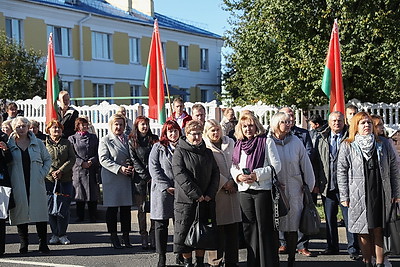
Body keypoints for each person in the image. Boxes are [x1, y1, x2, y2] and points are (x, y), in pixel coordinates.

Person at [337, 112, 400, 267]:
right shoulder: (348, 145)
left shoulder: (383, 143)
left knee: (379, 229)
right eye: (363, 123)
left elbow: (394, 168)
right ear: (356, 126)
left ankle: (379, 263)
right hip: (358, 194)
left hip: (380, 192)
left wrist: (396, 193)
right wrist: (344, 195)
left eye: (369, 123)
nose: (367, 126)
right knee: (362, 230)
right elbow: (341, 171)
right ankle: (367, 262)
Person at [230, 112, 281, 267]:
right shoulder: (238, 144)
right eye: (244, 126)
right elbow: (234, 166)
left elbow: (276, 166)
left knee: (264, 229)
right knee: (249, 228)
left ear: (256, 126)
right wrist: (238, 176)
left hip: (262, 190)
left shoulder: (266, 141)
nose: (248, 129)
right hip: (244, 191)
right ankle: (253, 262)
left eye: (251, 125)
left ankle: (267, 262)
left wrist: (257, 175)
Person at [269, 112, 315, 267]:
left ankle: (291, 260)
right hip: (275, 191)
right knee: (276, 225)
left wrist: (308, 185)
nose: (288, 124)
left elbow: (306, 164)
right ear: (276, 124)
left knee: (293, 225)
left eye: (289, 122)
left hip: (295, 189)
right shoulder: (268, 142)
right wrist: (272, 182)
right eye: (284, 122)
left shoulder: (295, 141)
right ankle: (274, 259)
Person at [172, 120, 219, 267]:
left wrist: (209, 193)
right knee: (185, 233)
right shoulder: (180, 151)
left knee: (202, 234)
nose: (197, 137)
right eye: (193, 134)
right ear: (187, 134)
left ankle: (200, 262)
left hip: (205, 200)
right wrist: (196, 194)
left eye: (199, 133)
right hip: (186, 202)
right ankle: (187, 262)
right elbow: (180, 174)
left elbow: (215, 173)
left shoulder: (208, 152)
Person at [315, 112, 360, 260]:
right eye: (334, 120)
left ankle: (353, 249)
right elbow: (316, 162)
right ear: (329, 122)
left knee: (349, 219)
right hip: (327, 185)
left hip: (346, 186)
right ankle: (332, 247)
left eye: (339, 120)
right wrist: (316, 183)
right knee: (329, 218)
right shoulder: (321, 137)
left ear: (344, 121)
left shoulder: (351, 137)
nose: (336, 123)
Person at [7, 117, 51, 254]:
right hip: (18, 182)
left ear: (28, 127)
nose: (21, 129)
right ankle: (24, 243)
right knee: (21, 213)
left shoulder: (38, 143)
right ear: (14, 128)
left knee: (40, 213)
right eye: (18, 126)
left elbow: (47, 159)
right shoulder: (9, 144)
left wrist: (41, 174)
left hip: (36, 182)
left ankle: (42, 243)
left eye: (23, 126)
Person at [203, 119, 241, 267]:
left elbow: (237, 162)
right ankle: (215, 261)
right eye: (212, 130)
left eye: (217, 129)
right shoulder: (205, 147)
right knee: (217, 228)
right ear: (207, 132)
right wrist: (224, 183)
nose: (216, 133)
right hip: (217, 191)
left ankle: (232, 260)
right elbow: (209, 170)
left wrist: (233, 181)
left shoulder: (231, 142)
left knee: (232, 228)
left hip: (233, 189)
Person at [148, 120, 182, 267]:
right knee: (161, 225)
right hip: (162, 191)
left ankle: (180, 255)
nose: (173, 134)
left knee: (180, 224)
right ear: (165, 133)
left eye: (175, 131)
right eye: (170, 131)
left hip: (180, 191)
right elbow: (154, 168)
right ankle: (161, 257)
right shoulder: (158, 147)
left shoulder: (184, 146)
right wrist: (166, 186)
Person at [99, 114, 134, 249]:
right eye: (116, 124)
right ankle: (113, 236)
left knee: (126, 209)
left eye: (121, 124)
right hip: (112, 177)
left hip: (126, 178)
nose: (118, 127)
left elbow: (133, 155)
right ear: (111, 126)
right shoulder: (105, 140)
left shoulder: (128, 139)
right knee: (112, 209)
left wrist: (130, 166)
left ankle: (126, 236)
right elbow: (103, 159)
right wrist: (119, 168)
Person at [129, 116, 159, 250]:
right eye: (142, 124)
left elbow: (157, 156)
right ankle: (143, 235)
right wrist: (145, 175)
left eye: (146, 124)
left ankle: (153, 235)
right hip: (139, 179)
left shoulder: (154, 139)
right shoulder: (132, 140)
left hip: (154, 177)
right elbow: (134, 160)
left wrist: (153, 174)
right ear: (137, 125)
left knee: (154, 207)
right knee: (141, 209)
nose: (145, 127)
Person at [44, 120, 76, 245]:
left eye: (58, 128)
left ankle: (62, 234)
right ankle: (54, 234)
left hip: (65, 179)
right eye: (54, 128)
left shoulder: (67, 143)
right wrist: (52, 171)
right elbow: (43, 159)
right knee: (51, 207)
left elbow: (72, 158)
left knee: (64, 208)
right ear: (48, 130)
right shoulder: (44, 144)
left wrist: (61, 170)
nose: (56, 130)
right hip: (49, 180)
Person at [68, 117, 99, 223]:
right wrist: (81, 163)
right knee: (79, 193)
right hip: (78, 170)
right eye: (82, 124)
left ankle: (93, 216)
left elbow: (97, 152)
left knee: (92, 193)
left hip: (91, 169)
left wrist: (91, 161)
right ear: (78, 126)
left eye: (86, 124)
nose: (85, 126)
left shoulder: (94, 137)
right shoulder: (72, 138)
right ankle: (80, 216)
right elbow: (72, 154)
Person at [0, 126, 12, 256]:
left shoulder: (3, 137)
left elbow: (9, 160)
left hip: (1, 182)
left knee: (0, 217)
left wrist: (5, 150)